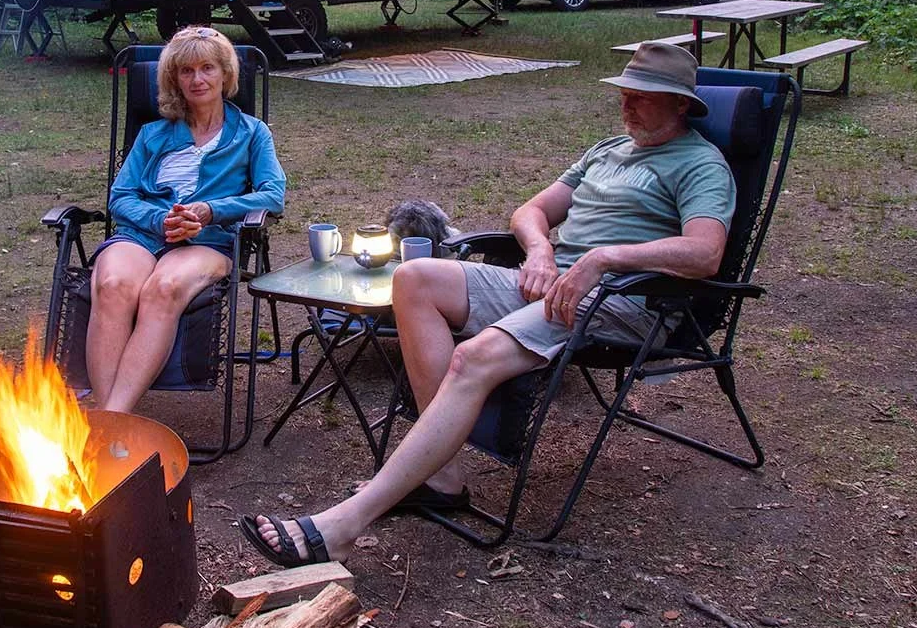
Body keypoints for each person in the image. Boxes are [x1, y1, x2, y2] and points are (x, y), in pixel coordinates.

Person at [243, 41, 734, 566]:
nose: (627, 105)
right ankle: (442, 474)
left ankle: (342, 525)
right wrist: (542, 249)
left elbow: (704, 252)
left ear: (681, 104)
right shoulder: (606, 151)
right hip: (554, 282)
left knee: (472, 357)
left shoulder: (700, 164)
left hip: (625, 300)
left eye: (642, 97)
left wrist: (605, 259)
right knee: (414, 280)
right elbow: (530, 211)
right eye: (625, 94)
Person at [89, 27, 285, 411]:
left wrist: (211, 210)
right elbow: (121, 196)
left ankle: (111, 419)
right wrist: (160, 219)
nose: (198, 79)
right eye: (186, 71)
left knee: (163, 288)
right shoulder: (152, 134)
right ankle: (108, 424)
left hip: (208, 238)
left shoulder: (251, 133)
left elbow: (272, 195)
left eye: (208, 68)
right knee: (112, 285)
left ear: (226, 74)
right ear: (174, 79)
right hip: (145, 234)